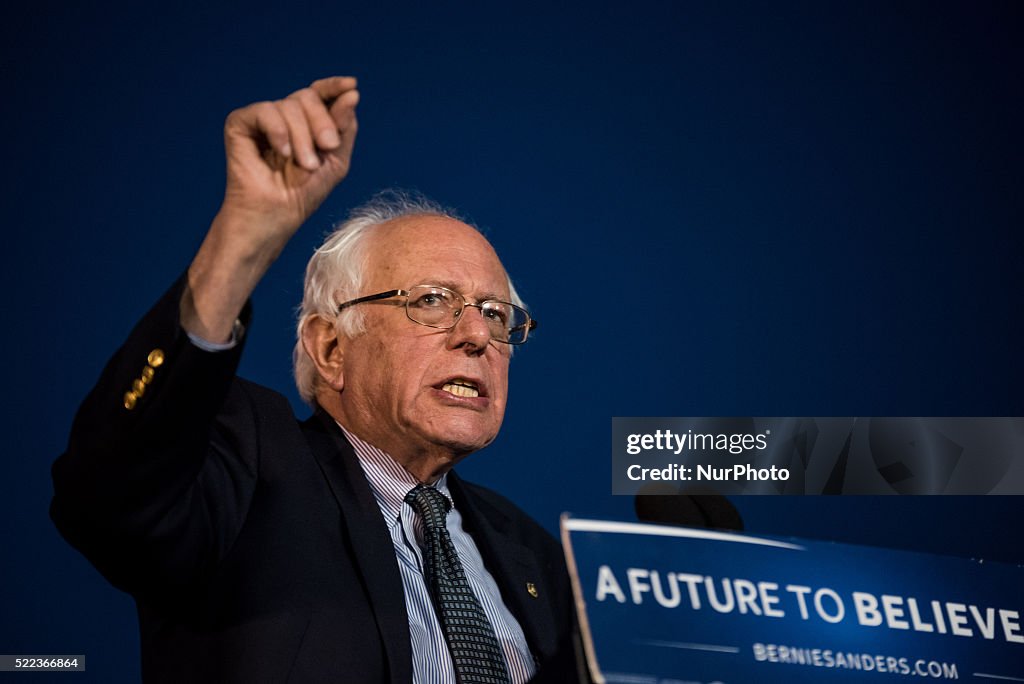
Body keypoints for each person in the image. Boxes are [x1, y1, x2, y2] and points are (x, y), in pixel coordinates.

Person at [51, 77, 577, 683]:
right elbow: (110, 490)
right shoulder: (249, 466)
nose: (478, 335)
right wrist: (241, 242)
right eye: (432, 300)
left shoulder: (532, 551)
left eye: (495, 314)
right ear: (330, 347)